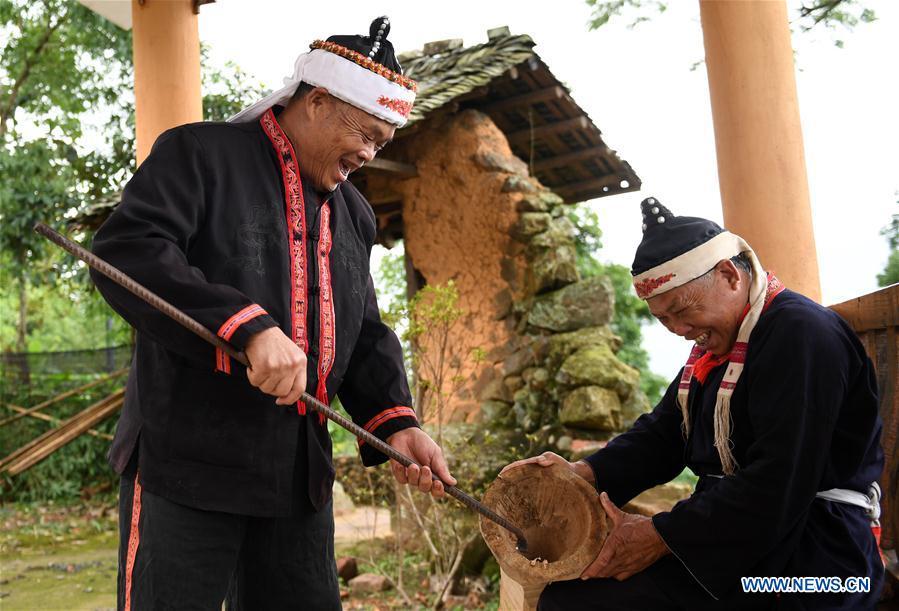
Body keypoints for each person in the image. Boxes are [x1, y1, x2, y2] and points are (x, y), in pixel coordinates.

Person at [91, 17, 455, 610]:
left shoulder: (354, 215)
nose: (367, 154)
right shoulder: (200, 154)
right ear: (315, 102)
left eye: (381, 145)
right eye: (364, 134)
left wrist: (397, 424)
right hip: (187, 465)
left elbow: (363, 332)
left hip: (296, 481)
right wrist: (248, 326)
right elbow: (127, 251)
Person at [504, 198, 884, 610]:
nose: (680, 331)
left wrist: (661, 535)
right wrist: (583, 475)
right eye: (664, 320)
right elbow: (665, 435)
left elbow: (779, 483)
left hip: (817, 567)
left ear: (728, 275)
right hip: (735, 551)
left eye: (683, 310)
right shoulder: (715, 352)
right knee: (574, 601)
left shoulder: (802, 336)